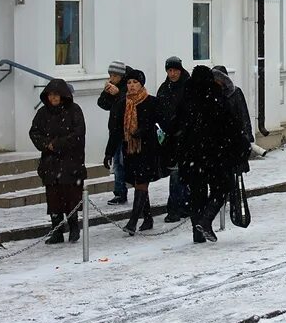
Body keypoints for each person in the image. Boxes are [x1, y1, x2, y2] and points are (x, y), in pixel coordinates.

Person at [172, 65, 250, 243]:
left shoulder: (185, 99)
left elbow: (174, 127)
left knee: (196, 193)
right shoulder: (215, 99)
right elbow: (232, 127)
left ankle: (197, 233)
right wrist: (242, 147)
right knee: (221, 188)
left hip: (191, 157)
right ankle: (206, 220)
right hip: (214, 156)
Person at [104, 68, 162, 235]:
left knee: (142, 181)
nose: (131, 86)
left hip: (147, 149)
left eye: (135, 82)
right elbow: (115, 130)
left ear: (141, 84)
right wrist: (109, 152)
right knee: (138, 183)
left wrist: (143, 131)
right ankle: (148, 218)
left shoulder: (151, 102)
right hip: (129, 149)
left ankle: (133, 221)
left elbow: (158, 124)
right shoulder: (122, 104)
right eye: (129, 83)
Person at [29, 78, 86, 244]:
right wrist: (47, 145)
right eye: (50, 95)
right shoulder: (43, 113)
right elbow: (34, 132)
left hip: (71, 163)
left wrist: (59, 144)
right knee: (53, 199)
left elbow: (78, 134)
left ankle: (74, 227)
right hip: (51, 164)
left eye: (56, 95)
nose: (53, 98)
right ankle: (57, 230)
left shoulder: (74, 110)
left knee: (71, 197)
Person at [156, 56, 190, 223]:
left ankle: (176, 208)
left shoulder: (188, 86)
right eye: (170, 70)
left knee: (178, 173)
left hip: (184, 137)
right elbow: (160, 110)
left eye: (175, 70)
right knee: (178, 172)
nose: (173, 73)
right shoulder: (164, 88)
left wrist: (181, 128)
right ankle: (183, 205)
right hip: (169, 138)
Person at [97, 61, 130, 205]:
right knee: (117, 163)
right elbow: (102, 104)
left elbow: (128, 104)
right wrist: (106, 92)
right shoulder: (113, 87)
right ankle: (120, 192)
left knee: (124, 163)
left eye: (114, 75)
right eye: (110, 75)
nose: (111, 78)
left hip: (128, 131)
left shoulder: (129, 85)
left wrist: (118, 94)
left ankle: (137, 192)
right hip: (116, 130)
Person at [212, 65, 253, 176]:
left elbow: (243, 115)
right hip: (217, 144)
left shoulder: (235, 93)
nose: (216, 82)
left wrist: (247, 137)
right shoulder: (210, 94)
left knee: (234, 175)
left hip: (234, 141)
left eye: (218, 79)